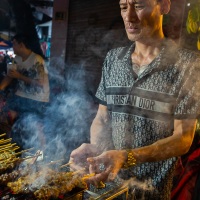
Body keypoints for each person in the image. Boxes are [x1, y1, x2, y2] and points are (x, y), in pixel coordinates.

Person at [69, 0, 200, 199]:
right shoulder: (113, 59)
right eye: (123, 7)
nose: (129, 17)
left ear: (164, 6)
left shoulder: (188, 65)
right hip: (107, 185)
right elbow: (102, 118)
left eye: (138, 6)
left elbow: (183, 138)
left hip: (151, 190)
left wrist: (127, 157)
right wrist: (97, 149)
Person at [0, 33, 50, 147]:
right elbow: (10, 76)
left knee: (36, 126)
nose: (12, 46)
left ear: (21, 45)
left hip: (37, 98)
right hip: (21, 96)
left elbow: (40, 84)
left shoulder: (37, 60)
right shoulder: (17, 59)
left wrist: (19, 76)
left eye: (14, 44)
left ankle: (42, 151)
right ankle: (14, 144)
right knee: (8, 116)